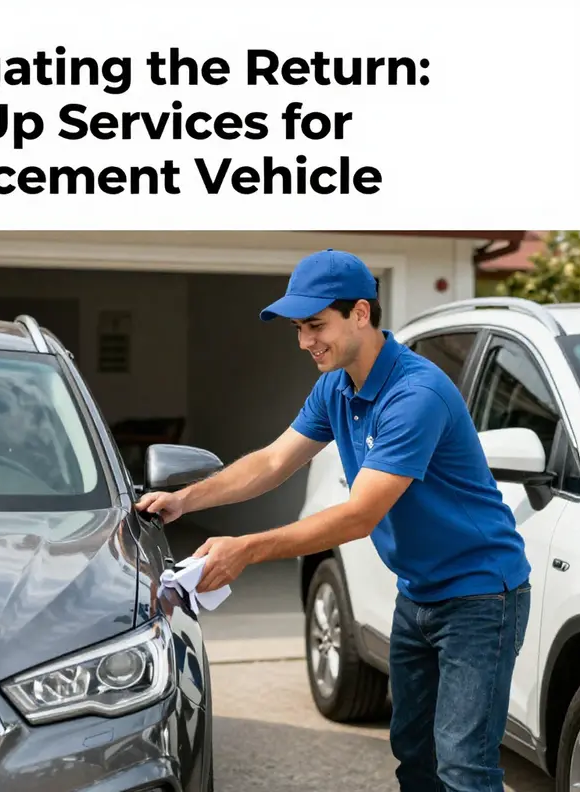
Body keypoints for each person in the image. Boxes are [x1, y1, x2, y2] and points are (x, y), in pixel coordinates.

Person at [136, 248, 531, 792]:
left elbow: (360, 515)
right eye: (299, 328)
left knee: (463, 765)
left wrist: (245, 549)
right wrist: (187, 499)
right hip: (418, 594)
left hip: (482, 597)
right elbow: (274, 462)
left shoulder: (415, 394)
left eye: (316, 325)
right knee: (415, 756)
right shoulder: (336, 385)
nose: (304, 341)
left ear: (362, 314)